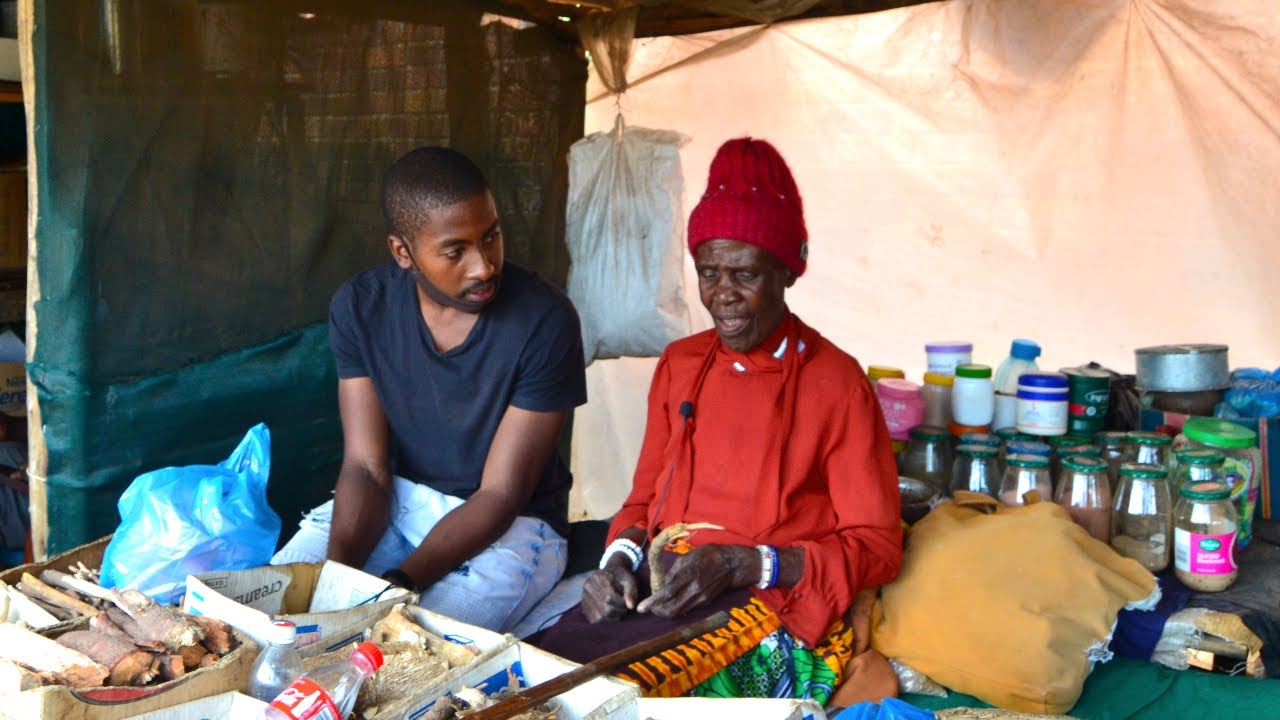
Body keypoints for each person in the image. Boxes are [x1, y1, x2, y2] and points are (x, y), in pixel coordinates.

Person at [533, 138, 902, 704]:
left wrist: (744, 562)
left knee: (628, 697)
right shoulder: (681, 365)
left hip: (774, 601)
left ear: (787, 271)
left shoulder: (837, 382)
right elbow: (641, 505)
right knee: (536, 676)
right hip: (669, 584)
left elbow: (877, 546)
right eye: (709, 274)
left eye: (745, 275)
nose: (723, 296)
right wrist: (613, 565)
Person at [273, 146, 587, 633]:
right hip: (400, 499)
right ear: (404, 252)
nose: (483, 266)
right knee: (272, 619)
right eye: (455, 251)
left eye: (492, 237)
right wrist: (336, 581)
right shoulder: (362, 307)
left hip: (515, 525)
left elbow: (501, 493)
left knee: (400, 653)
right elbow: (365, 466)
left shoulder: (544, 320)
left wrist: (399, 584)